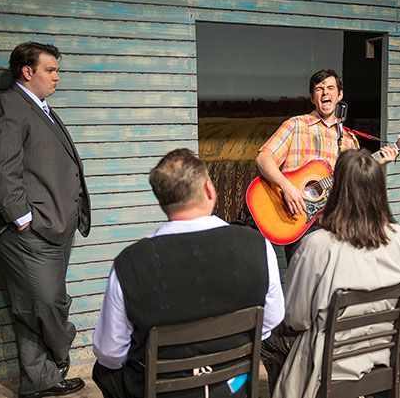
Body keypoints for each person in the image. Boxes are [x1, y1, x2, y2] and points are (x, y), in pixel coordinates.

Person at [92, 148, 284, 398]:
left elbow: (110, 352)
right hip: (231, 386)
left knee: (103, 371)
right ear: (208, 190)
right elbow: (271, 320)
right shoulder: (258, 245)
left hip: (162, 391)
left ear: (161, 200)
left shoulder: (129, 263)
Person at [261, 148, 400, 398]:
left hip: (330, 366)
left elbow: (296, 318)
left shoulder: (316, 245)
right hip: (386, 355)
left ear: (337, 189)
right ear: (380, 189)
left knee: (268, 339)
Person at [0, 42, 91, 397]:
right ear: (27, 72)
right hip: (29, 232)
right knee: (47, 304)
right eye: (50, 70)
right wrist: (22, 218)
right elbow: (2, 168)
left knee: (31, 308)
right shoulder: (8, 105)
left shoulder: (42, 109)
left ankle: (40, 383)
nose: (57, 77)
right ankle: (61, 352)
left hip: (55, 229)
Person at [255, 68, 399, 261]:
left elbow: (353, 183)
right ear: (313, 98)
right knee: (305, 282)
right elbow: (263, 158)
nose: (325, 92)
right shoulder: (296, 125)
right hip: (300, 217)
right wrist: (286, 186)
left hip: (337, 221)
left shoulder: (349, 140)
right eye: (319, 89)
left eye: (330, 88)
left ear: (339, 95)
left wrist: (379, 163)